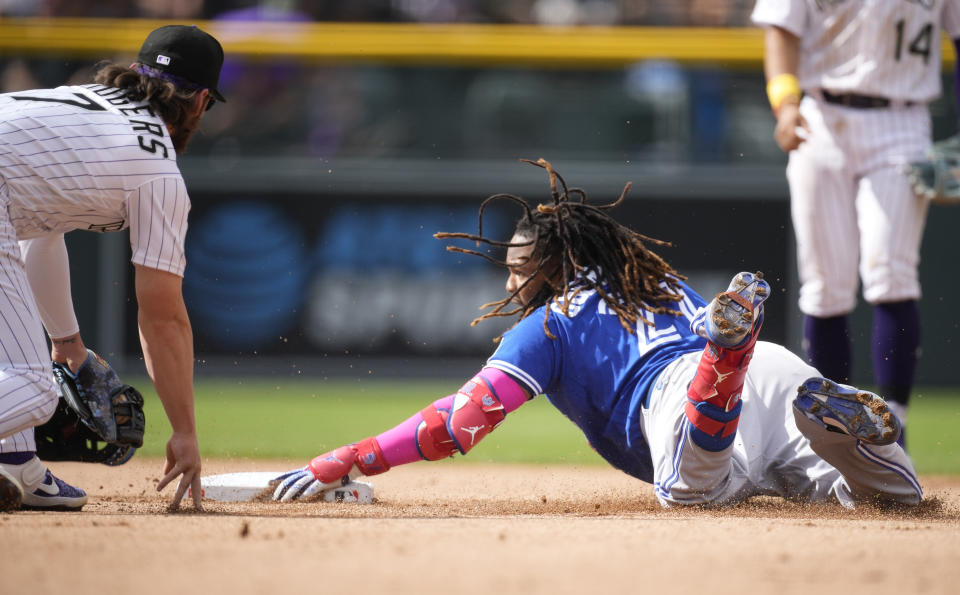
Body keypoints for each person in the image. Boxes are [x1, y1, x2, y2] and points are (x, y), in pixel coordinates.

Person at [270, 159, 921, 509]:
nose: (510, 285)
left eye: (518, 271)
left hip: (681, 403)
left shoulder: (545, 326)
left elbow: (454, 424)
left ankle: (723, 370)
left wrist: (352, 455)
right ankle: (851, 431)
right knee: (870, 497)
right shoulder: (655, 282)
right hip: (774, 372)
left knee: (692, 491)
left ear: (548, 269)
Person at [0, 24, 226, 512]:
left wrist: (66, 342)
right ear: (200, 101)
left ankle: (16, 463)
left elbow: (40, 236)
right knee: (34, 387)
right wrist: (184, 432)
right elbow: (162, 318)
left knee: (16, 363)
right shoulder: (159, 172)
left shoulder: (82, 101)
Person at [752, 0, 960, 445]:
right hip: (821, 118)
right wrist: (785, 104)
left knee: (891, 273)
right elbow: (780, 33)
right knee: (825, 285)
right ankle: (832, 428)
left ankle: (894, 427)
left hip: (903, 123)